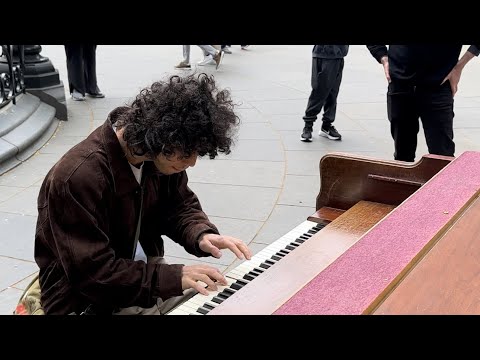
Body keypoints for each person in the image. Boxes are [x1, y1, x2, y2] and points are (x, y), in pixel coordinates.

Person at [34, 73, 251, 315]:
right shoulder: (77, 176)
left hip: (141, 276)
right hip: (88, 300)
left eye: (197, 152)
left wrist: (199, 233)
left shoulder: (156, 155)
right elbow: (93, 274)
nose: (192, 162)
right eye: (188, 152)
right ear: (161, 134)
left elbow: (178, 204)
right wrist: (172, 277)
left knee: (231, 299)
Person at [367, 45, 480, 162]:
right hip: (400, 83)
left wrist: (459, 67)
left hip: (439, 83)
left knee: (442, 154)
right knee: (403, 154)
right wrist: (383, 57)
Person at [301, 45, 348, 142]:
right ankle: (308, 126)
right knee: (319, 91)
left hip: (338, 54)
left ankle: (326, 126)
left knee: (333, 92)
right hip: (323, 54)